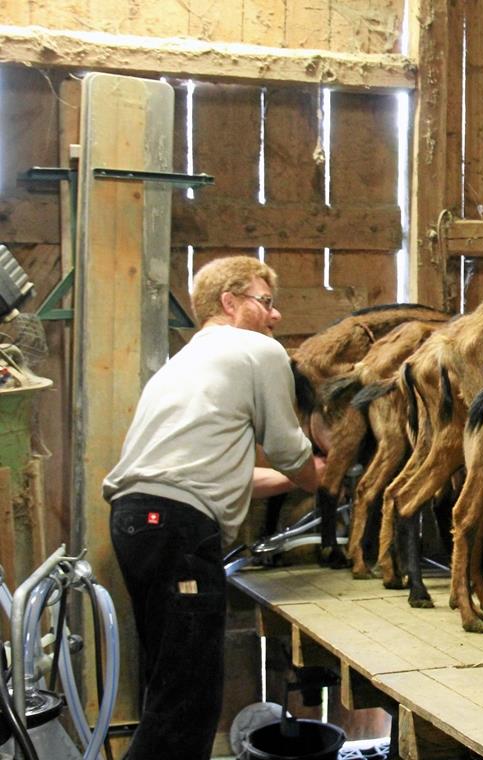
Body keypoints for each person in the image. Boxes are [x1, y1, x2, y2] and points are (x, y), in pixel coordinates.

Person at [103, 256, 324, 760]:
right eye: (265, 302)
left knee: (170, 682)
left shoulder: (184, 365)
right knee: (189, 699)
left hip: (139, 521)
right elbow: (290, 452)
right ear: (229, 302)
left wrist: (304, 478)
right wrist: (327, 479)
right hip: (177, 528)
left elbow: (226, 476)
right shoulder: (256, 350)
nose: (275, 316)